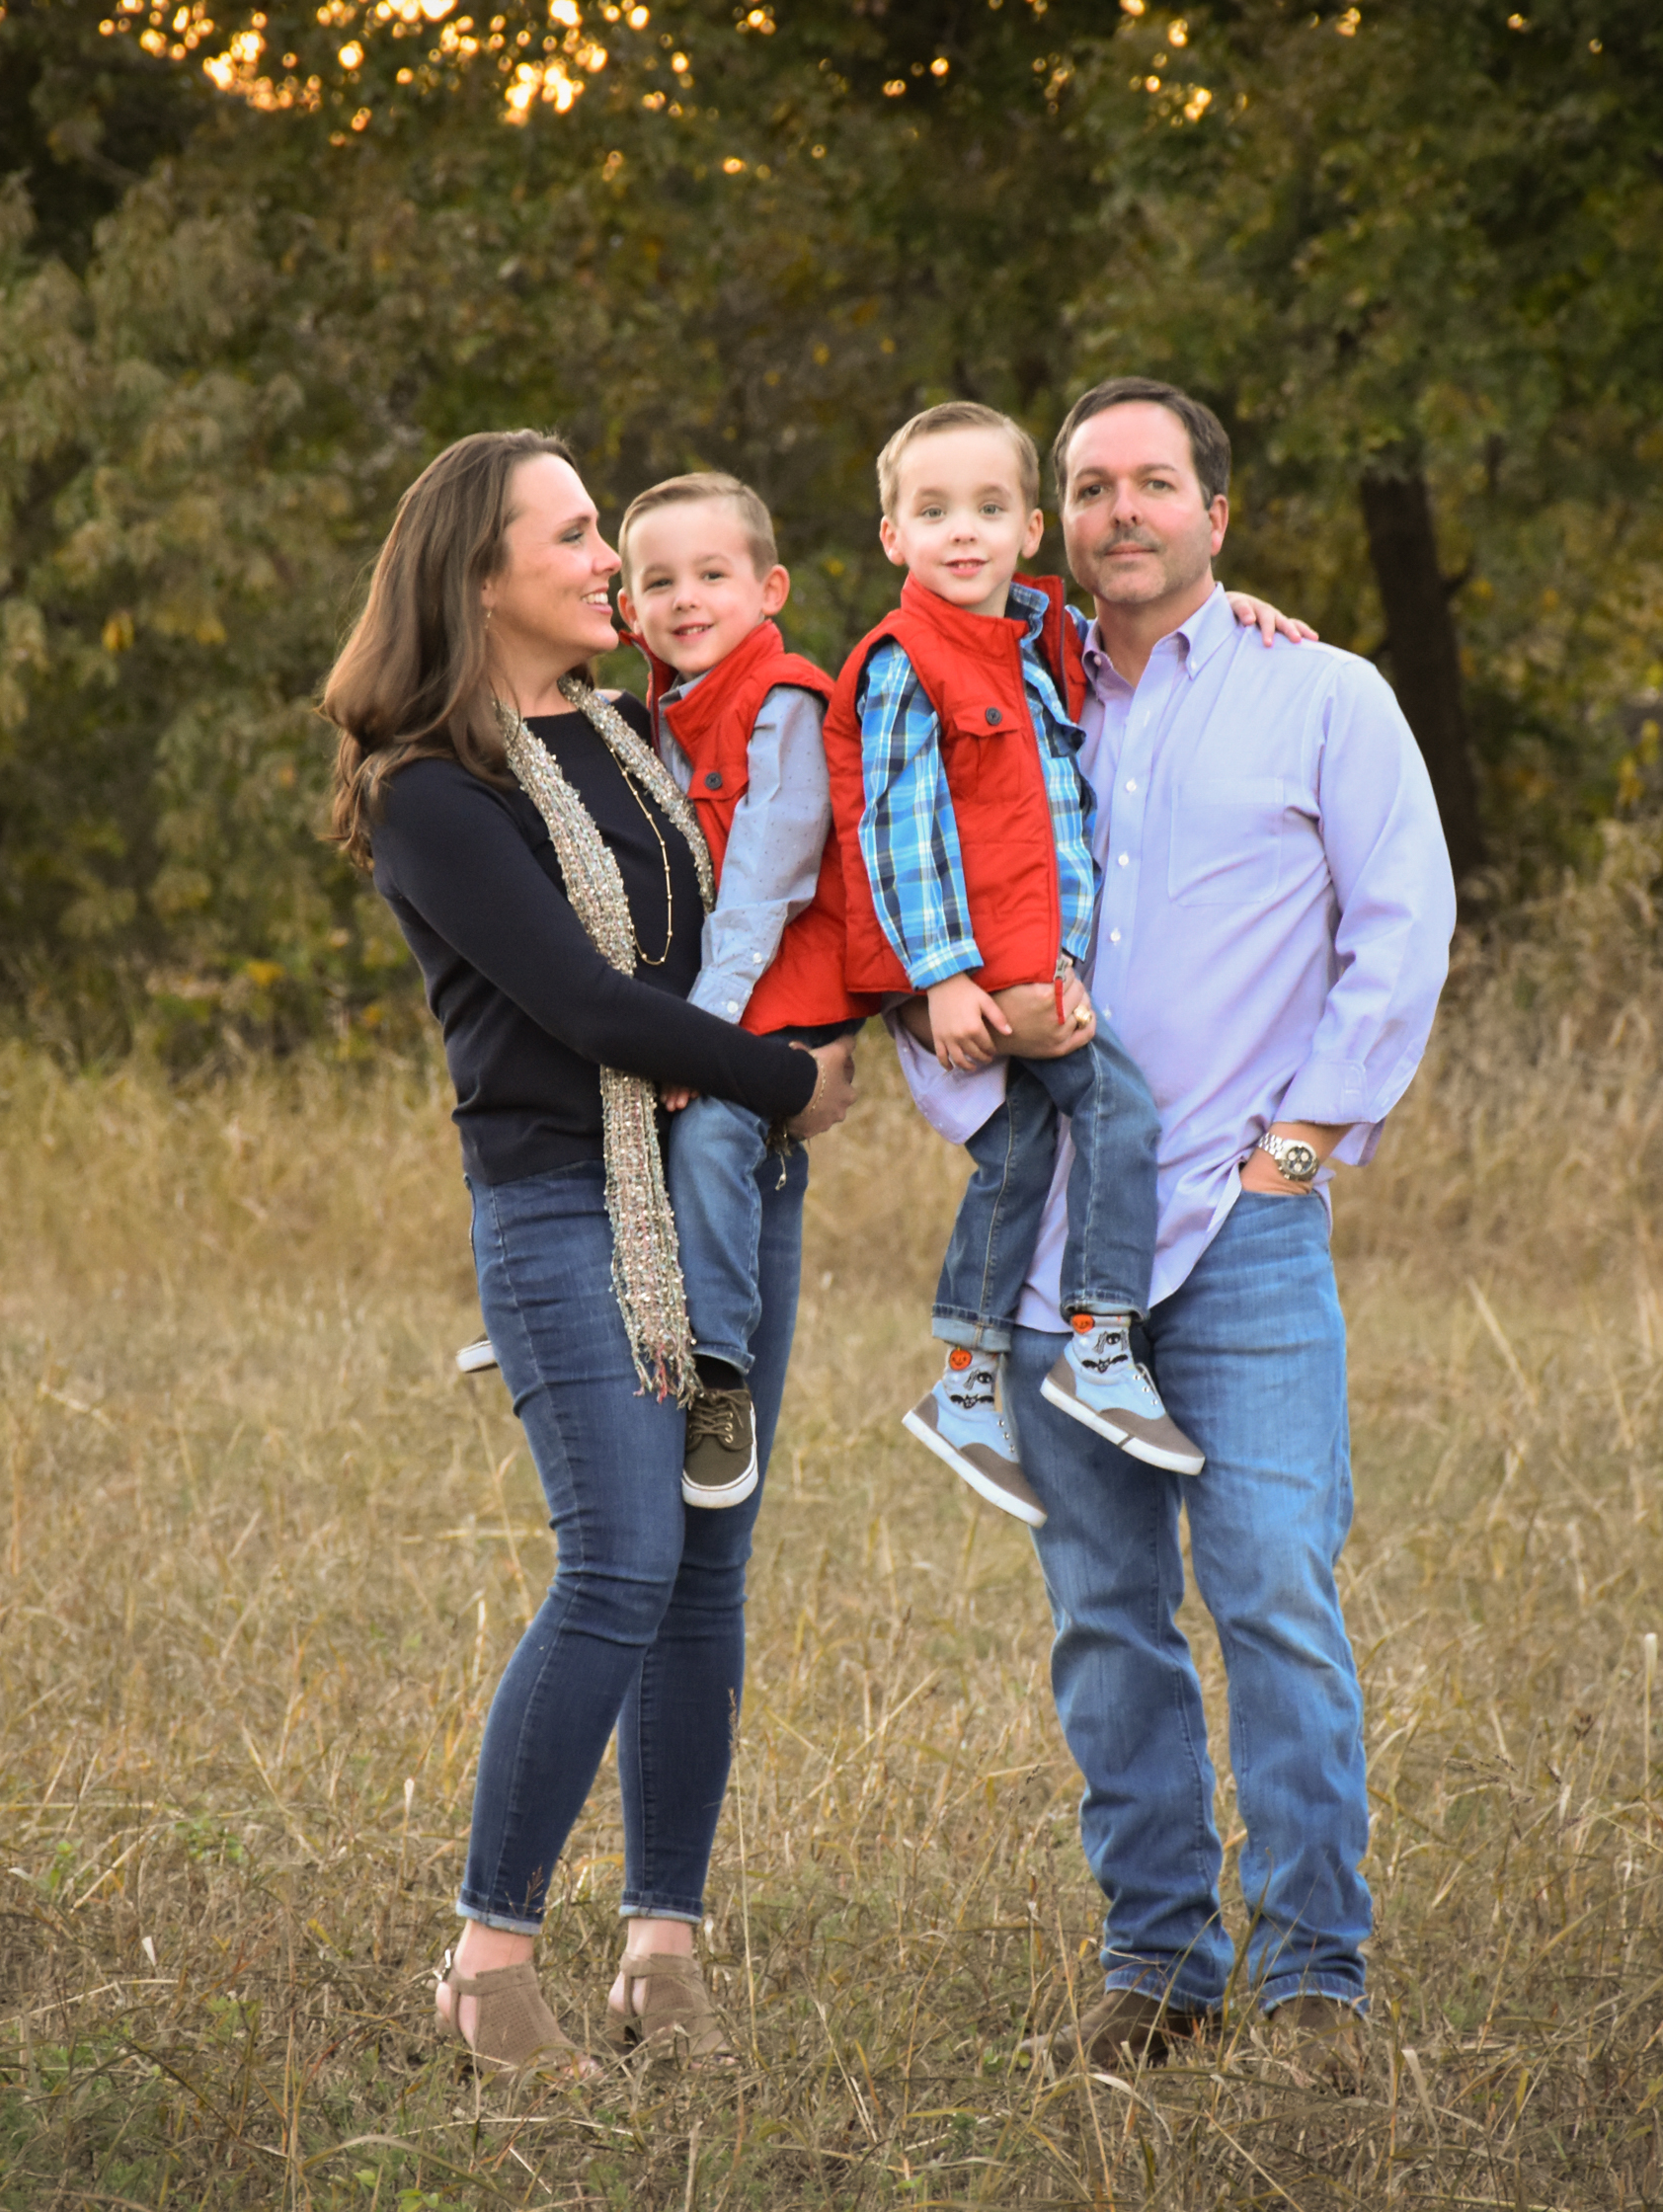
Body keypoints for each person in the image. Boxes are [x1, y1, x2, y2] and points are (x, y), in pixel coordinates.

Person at [895, 378, 1456, 2075]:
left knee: (1273, 1588)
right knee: (1105, 1616)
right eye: (1089, 486)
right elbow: (900, 898)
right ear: (1054, 519)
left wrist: (1303, 1144)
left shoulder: (1321, 693)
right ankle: (1157, 1967)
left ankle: (1314, 1981)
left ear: (1218, 511)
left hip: (1243, 1230)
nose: (1119, 511)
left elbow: (1402, 926)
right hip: (1056, 1239)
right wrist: (983, 1116)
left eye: (1153, 483)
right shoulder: (993, 682)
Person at [324, 430, 859, 2077]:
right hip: (568, 1204)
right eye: (570, 535)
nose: (607, 561)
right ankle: (488, 1963)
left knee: (705, 1576)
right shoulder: (433, 792)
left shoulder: (640, 733)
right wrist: (791, 1080)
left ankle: (662, 1954)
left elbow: (843, 754)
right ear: (479, 575)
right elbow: (587, 1003)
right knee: (621, 1563)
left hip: (728, 1198)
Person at [835, 401, 1203, 1529]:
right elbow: (897, 827)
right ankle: (1101, 1341)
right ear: (892, 534)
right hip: (978, 971)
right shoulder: (907, 661)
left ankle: (965, 1383)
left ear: (1031, 529)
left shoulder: (1036, 649)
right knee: (1121, 1112)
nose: (964, 531)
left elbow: (1049, 829)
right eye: (934, 510)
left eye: (990, 508)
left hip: (1034, 967)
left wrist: (1242, 609)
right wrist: (943, 976)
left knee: (1018, 1153)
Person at [615, 472, 870, 1510]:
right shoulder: (654, 716)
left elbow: (769, 882)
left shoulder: (785, 703)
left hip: (775, 989)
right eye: (659, 582)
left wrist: (699, 1034)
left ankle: (720, 1374)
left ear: (770, 590)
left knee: (716, 1135)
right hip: (711, 993)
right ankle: (583, 1313)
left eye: (712, 575)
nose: (685, 598)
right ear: (628, 607)